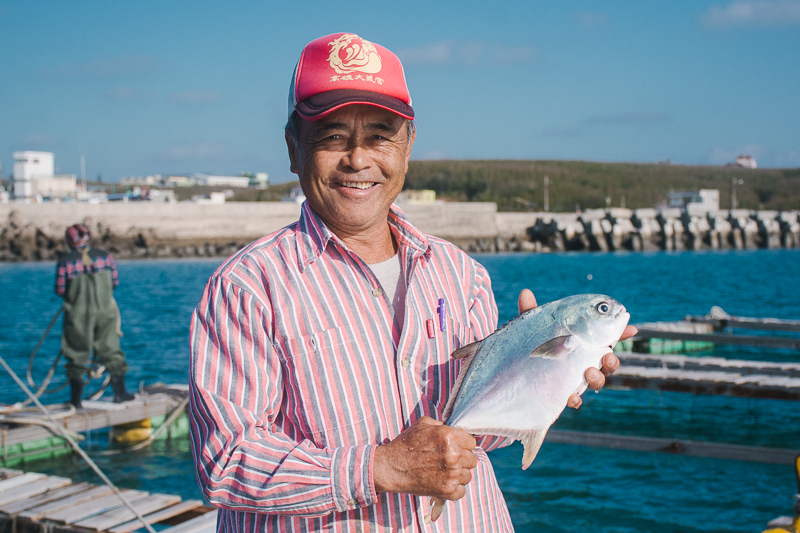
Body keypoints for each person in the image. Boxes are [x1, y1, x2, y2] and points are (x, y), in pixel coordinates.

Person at [188, 33, 636, 531]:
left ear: (408, 146)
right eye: (333, 136)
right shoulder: (246, 289)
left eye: (380, 135)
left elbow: (477, 438)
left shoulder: (461, 274)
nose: (359, 159)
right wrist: (378, 468)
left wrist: (543, 380)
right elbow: (224, 462)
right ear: (294, 147)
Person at [56, 223, 134, 408]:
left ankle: (76, 401)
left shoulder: (65, 261)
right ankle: (120, 393)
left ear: (69, 241)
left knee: (77, 354)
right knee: (111, 349)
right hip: (104, 311)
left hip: (78, 314)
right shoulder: (106, 257)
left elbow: (60, 289)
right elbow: (115, 282)